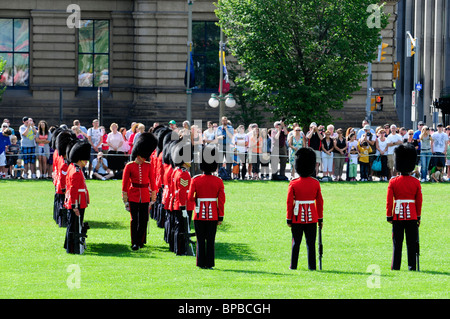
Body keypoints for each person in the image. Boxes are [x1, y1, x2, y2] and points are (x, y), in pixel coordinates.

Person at [188, 144, 225, 269]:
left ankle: (200, 263)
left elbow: (190, 197)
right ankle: (209, 263)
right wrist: (220, 216)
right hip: (213, 214)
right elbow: (221, 201)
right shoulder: (218, 181)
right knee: (210, 240)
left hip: (199, 214)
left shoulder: (196, 180)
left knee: (200, 240)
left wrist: (196, 204)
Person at [286, 147, 324, 270]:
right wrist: (320, 218)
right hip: (312, 217)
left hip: (297, 217)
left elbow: (289, 202)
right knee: (311, 244)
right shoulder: (315, 183)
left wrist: (289, 218)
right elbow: (319, 202)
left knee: (296, 243)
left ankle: (293, 266)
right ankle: (312, 266)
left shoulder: (294, 183)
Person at [386, 143, 422, 271]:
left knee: (397, 243)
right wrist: (418, 216)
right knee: (411, 243)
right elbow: (419, 201)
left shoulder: (393, 181)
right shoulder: (416, 182)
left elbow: (389, 200)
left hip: (397, 215)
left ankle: (396, 266)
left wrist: (389, 215)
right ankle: (411, 266)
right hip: (412, 215)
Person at [122, 132, 158, 250]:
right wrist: (125, 199)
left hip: (145, 196)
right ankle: (134, 242)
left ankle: (141, 240)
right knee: (134, 220)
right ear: (138, 154)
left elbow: (152, 182)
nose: (143, 158)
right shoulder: (130, 166)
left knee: (143, 220)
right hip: (133, 195)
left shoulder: (148, 165)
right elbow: (125, 183)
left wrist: (153, 197)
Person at [64, 139, 91, 254]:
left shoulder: (74, 168)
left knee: (73, 225)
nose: (86, 161)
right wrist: (75, 206)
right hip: (78, 202)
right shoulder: (75, 171)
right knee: (74, 226)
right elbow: (74, 189)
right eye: (85, 159)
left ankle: (69, 246)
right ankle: (72, 248)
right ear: (80, 159)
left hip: (79, 200)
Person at [170, 138, 195, 256]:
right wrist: (183, 207)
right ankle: (181, 250)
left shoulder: (177, 171)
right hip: (184, 204)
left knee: (178, 227)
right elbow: (182, 191)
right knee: (183, 228)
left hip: (177, 203)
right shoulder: (184, 174)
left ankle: (177, 249)